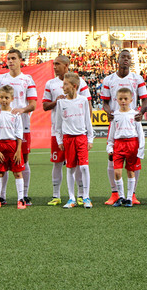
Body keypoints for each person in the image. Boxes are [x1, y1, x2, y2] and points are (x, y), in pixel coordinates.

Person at [42, 55, 92, 206]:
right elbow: (45, 106)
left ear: (66, 65)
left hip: (78, 132)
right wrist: (56, 101)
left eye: (57, 64)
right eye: (53, 64)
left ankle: (81, 195)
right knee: (57, 162)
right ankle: (56, 195)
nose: (54, 66)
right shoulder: (50, 83)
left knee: (77, 165)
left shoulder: (79, 81)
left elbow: (87, 104)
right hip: (59, 132)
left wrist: (86, 130)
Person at [101, 49, 147, 205]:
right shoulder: (108, 80)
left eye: (128, 57)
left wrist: (140, 112)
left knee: (133, 162)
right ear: (118, 59)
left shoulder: (137, 78)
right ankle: (115, 193)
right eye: (123, 57)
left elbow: (145, 101)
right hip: (117, 121)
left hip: (131, 121)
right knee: (112, 157)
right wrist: (110, 114)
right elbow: (105, 102)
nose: (126, 59)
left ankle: (132, 194)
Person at [0, 49, 37, 206]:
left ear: (20, 60)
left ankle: (24, 195)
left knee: (23, 160)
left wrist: (22, 110)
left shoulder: (27, 79)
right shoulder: (0, 79)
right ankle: (2, 196)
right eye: (8, 58)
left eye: (13, 58)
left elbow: (33, 104)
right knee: (2, 160)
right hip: (4, 127)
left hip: (22, 126)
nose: (10, 61)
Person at [55, 72, 94, 209]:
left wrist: (90, 138)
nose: (63, 86)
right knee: (70, 168)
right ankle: (71, 198)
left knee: (84, 166)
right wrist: (59, 140)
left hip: (81, 137)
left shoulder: (83, 100)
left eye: (65, 84)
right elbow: (58, 124)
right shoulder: (61, 102)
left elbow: (87, 121)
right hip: (68, 139)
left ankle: (86, 196)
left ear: (74, 86)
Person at [0, 85, 26, 210]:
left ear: (12, 98)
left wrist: (19, 150)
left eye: (6, 98)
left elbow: (19, 133)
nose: (4, 100)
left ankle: (21, 200)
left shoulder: (15, 114)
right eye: (2, 97)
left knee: (17, 172)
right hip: (0, 146)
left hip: (13, 146)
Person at [106, 88, 145, 207]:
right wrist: (110, 146)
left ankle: (129, 198)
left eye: (126, 99)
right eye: (121, 99)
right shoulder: (114, 115)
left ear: (131, 100)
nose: (123, 101)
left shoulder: (135, 115)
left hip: (132, 144)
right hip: (118, 145)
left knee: (130, 171)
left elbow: (140, 133)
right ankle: (121, 196)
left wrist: (141, 149)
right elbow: (112, 133)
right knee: (117, 172)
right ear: (116, 100)